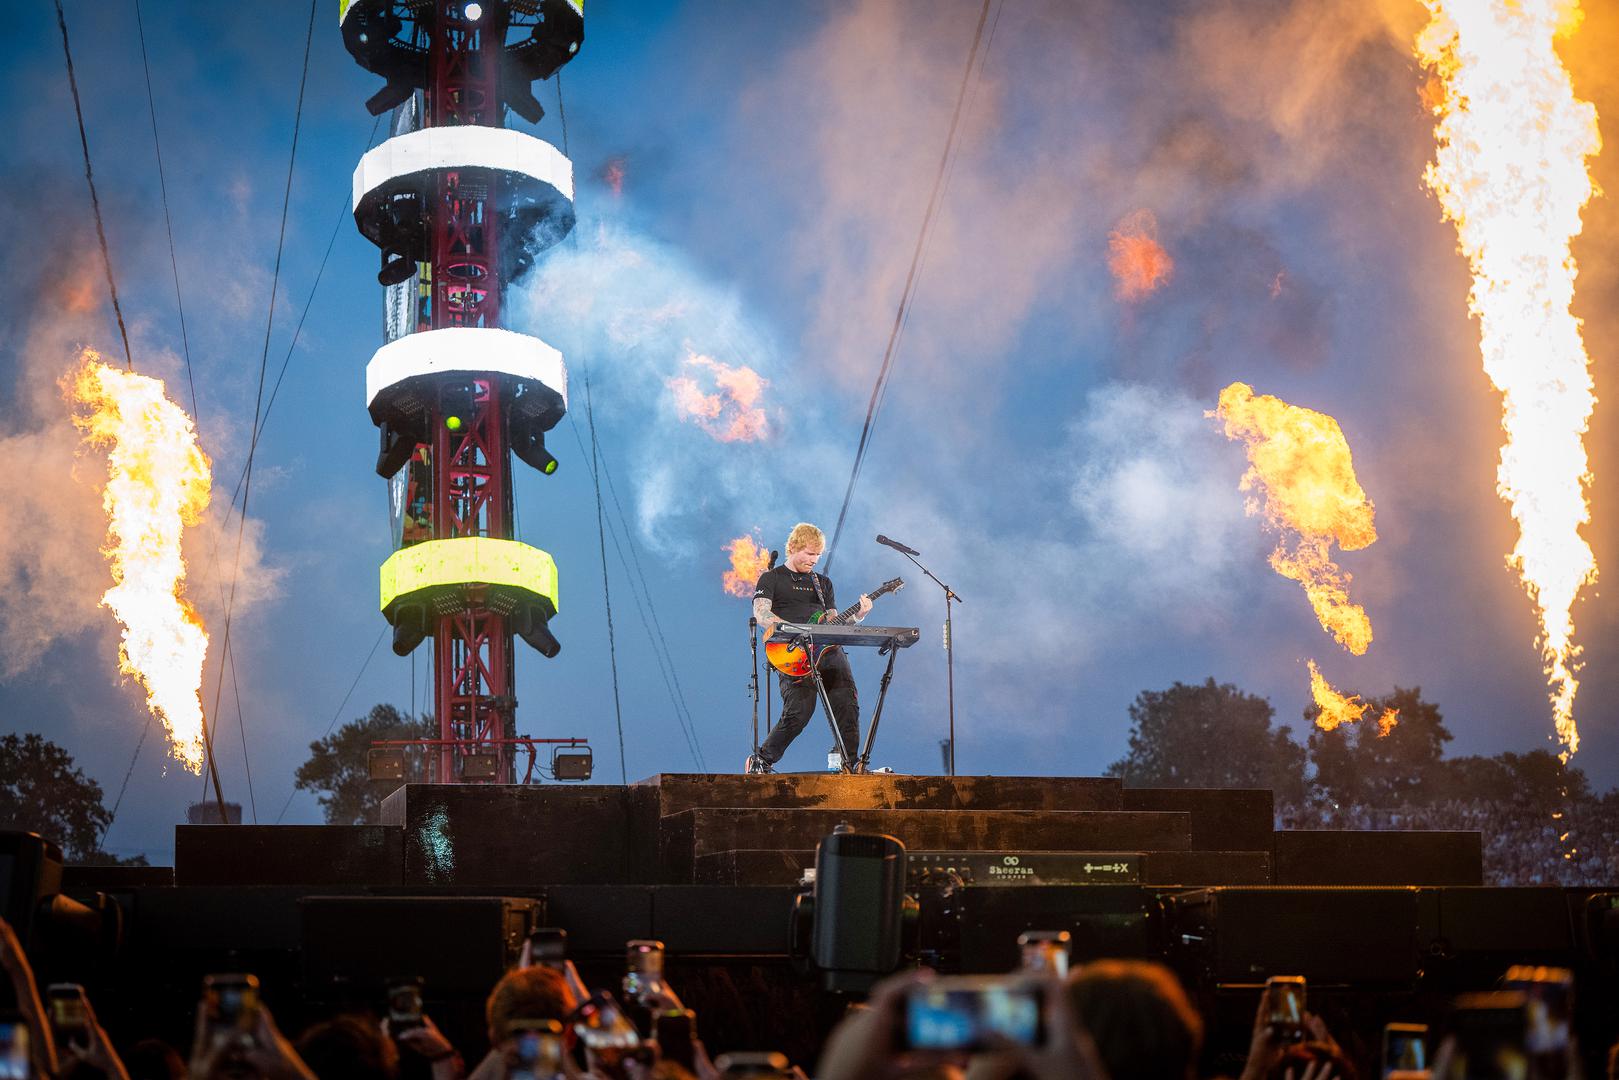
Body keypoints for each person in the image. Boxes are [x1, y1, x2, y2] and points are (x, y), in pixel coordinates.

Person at [749, 523, 871, 773]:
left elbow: (834, 621)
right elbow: (761, 614)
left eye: (818, 555)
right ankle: (762, 760)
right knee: (799, 711)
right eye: (809, 553)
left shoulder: (822, 583)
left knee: (847, 705)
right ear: (793, 548)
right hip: (791, 650)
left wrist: (858, 616)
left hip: (828, 650)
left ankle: (850, 764)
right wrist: (796, 630)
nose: (814, 560)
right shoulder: (771, 578)